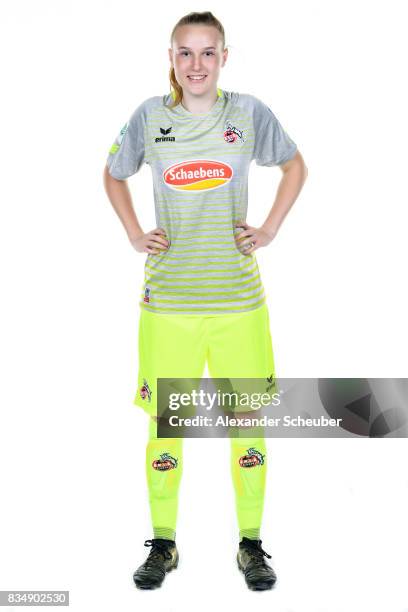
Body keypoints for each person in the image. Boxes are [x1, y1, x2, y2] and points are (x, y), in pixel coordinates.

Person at [103, 10, 307, 591]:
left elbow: (295, 165)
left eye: (207, 53)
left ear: (224, 57)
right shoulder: (149, 116)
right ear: (171, 57)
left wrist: (268, 228)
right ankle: (164, 543)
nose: (196, 64)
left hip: (240, 302)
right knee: (169, 428)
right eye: (185, 53)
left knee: (247, 424)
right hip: (168, 303)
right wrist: (133, 232)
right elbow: (113, 174)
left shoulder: (247, 114)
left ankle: (250, 544)